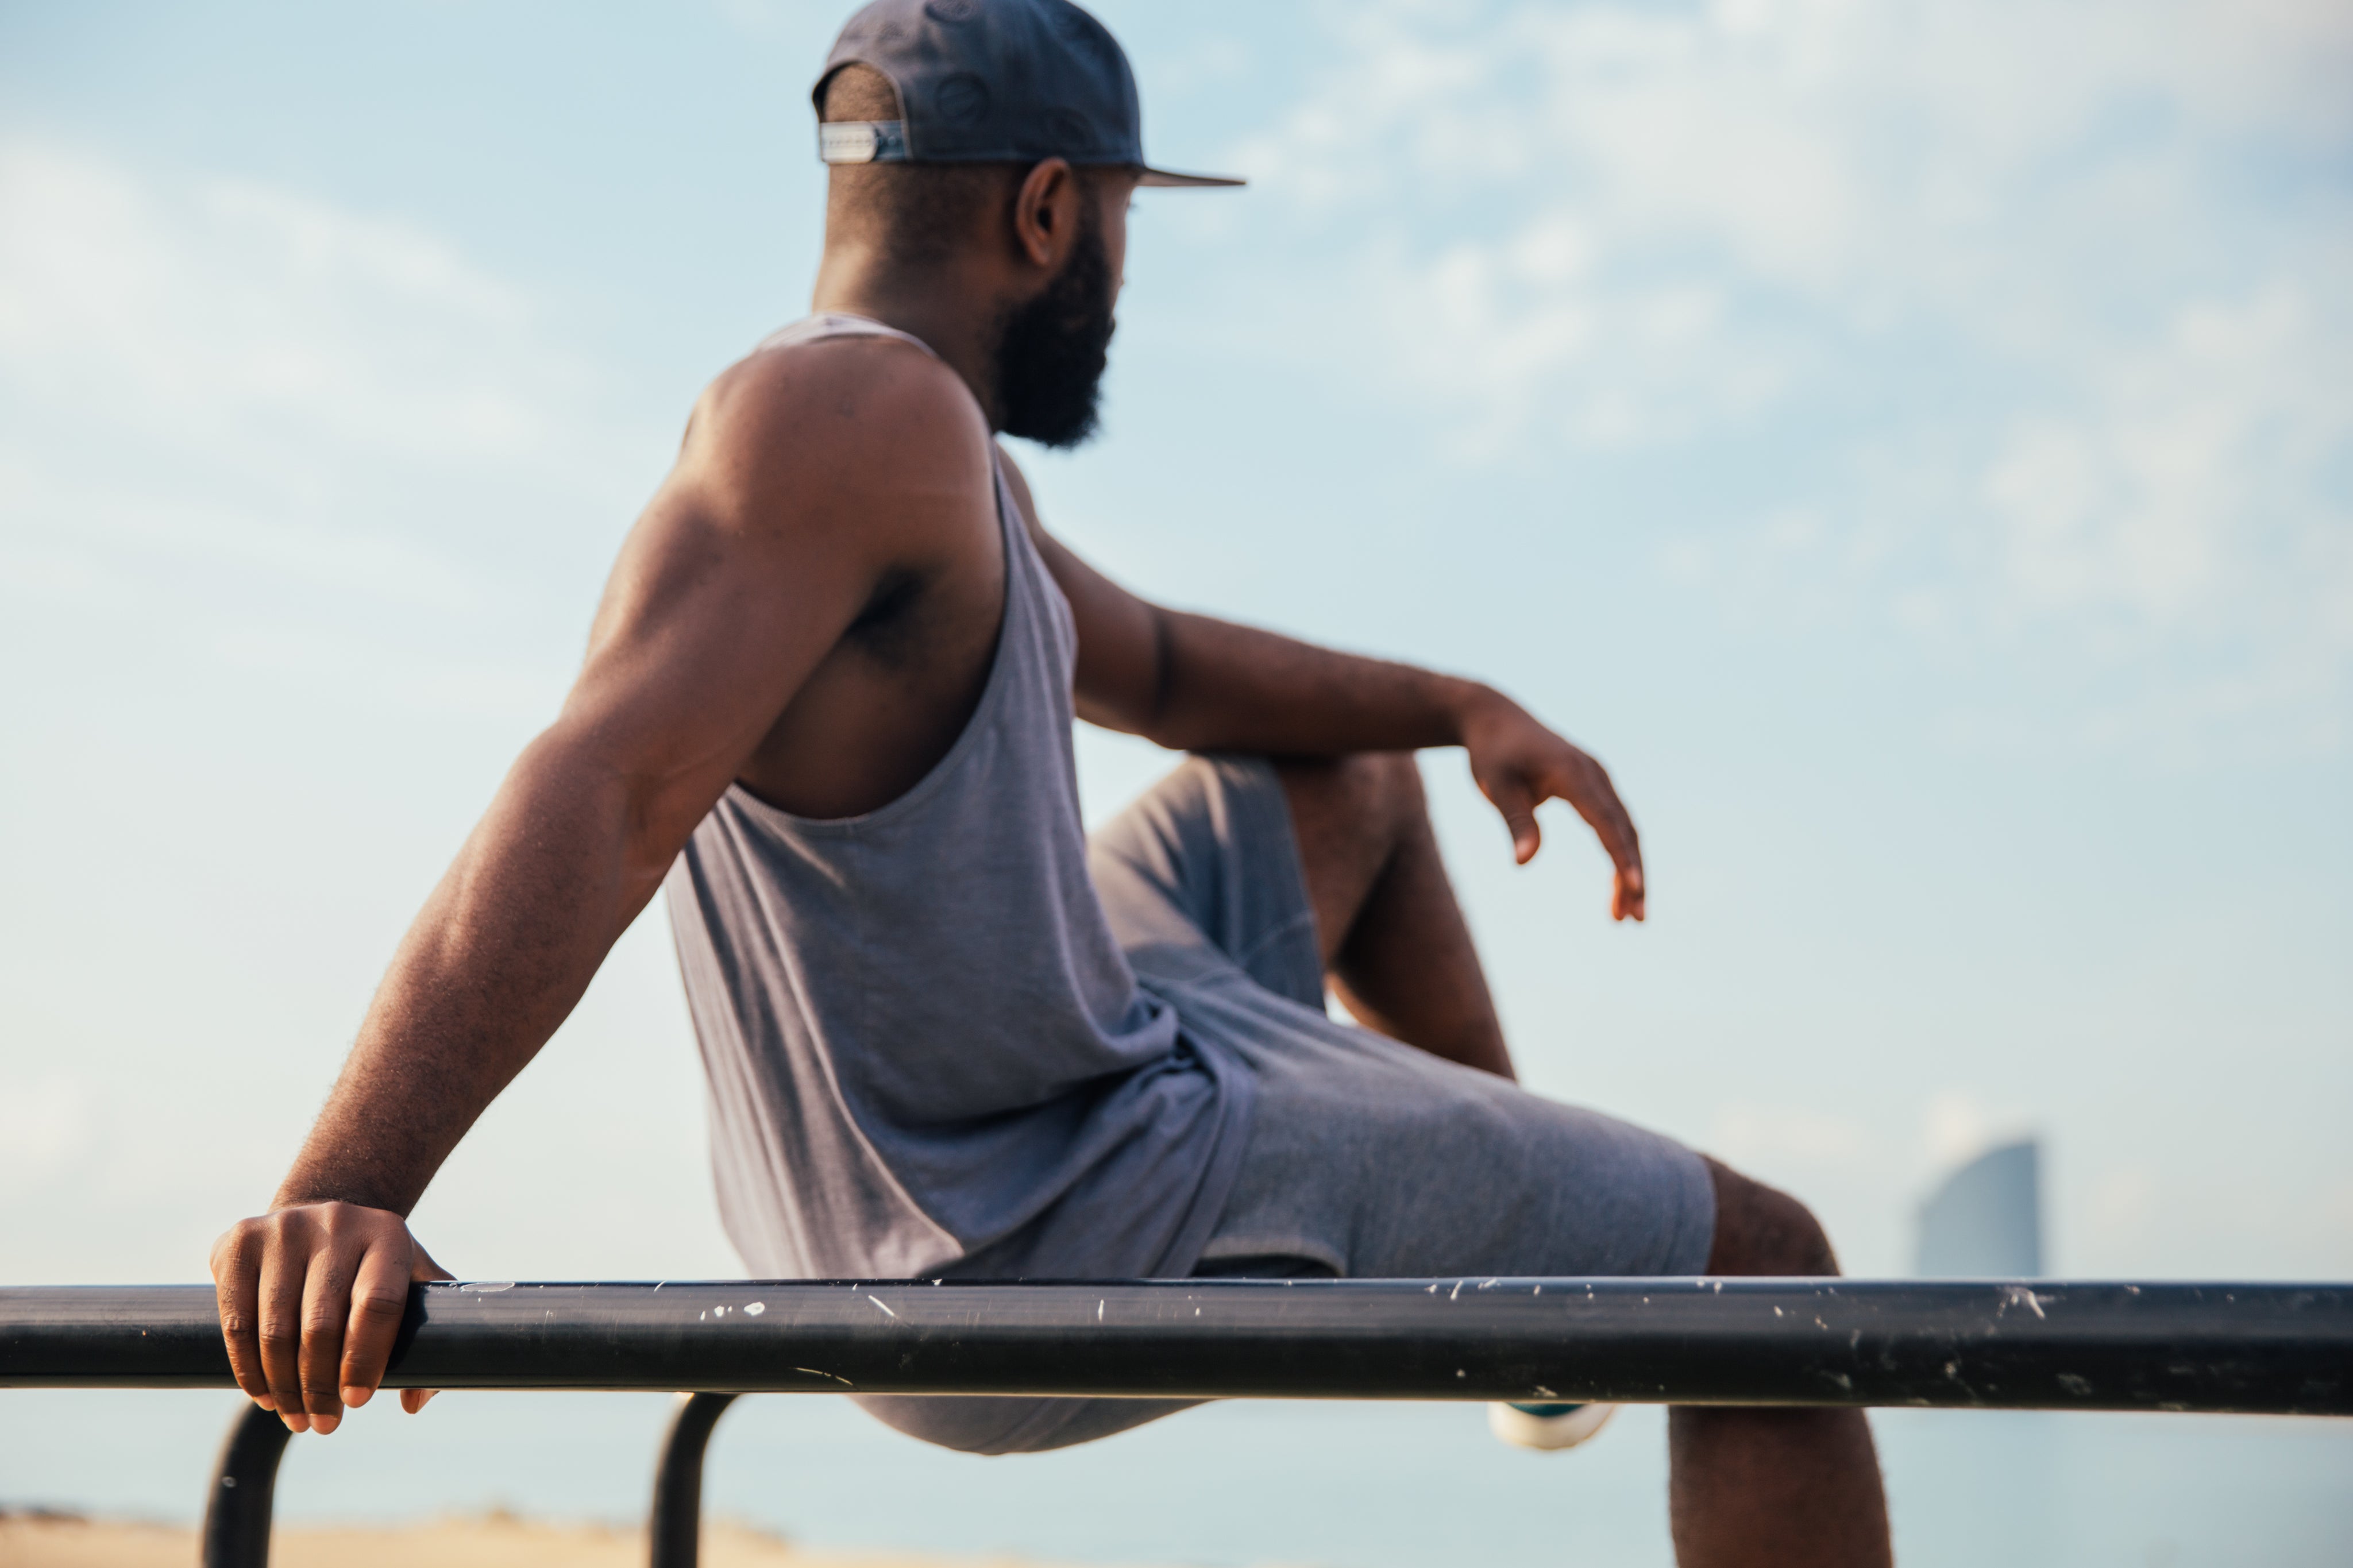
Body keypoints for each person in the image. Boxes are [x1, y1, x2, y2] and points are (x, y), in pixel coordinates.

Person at [209, 1, 1893, 1561]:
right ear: (1042, 216)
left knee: (1352, 778)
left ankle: (1533, 1316)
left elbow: (1155, 661)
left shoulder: (922, 454)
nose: (1122, 272)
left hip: (1038, 1088)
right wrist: (348, 1184)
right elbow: (605, 780)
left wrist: (1460, 706)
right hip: (1026, 1210)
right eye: (1120, 222)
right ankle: (1574, 1293)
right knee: (1763, 1272)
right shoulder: (849, 420)